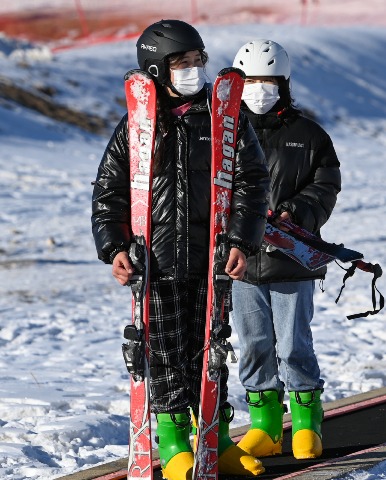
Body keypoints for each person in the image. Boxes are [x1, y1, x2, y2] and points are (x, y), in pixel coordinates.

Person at [91, 20, 269, 480]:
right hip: (156, 264)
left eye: (198, 60)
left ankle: (216, 437)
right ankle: (173, 444)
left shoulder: (224, 117)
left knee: (210, 352)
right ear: (156, 68)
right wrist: (113, 248)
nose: (194, 70)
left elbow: (252, 181)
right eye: (182, 63)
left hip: (212, 261)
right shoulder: (137, 127)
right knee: (165, 355)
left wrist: (240, 240)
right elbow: (109, 193)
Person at [229, 39, 341, 460]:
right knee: (254, 343)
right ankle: (266, 426)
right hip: (240, 261)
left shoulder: (309, 134)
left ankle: (307, 424)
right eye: (251, 80)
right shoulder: (220, 132)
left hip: (291, 257)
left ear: (284, 83)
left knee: (293, 344)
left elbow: (326, 184)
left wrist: (297, 211)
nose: (260, 88)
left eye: (268, 80)